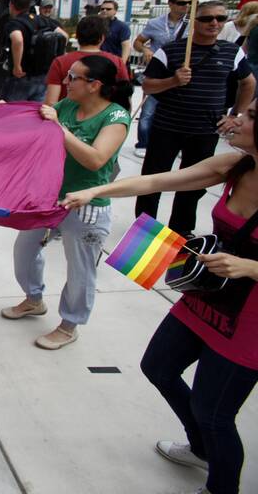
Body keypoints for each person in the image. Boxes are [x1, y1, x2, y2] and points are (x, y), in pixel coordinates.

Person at [62, 108, 258, 494]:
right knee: (158, 366)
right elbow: (155, 180)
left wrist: (250, 267)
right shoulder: (235, 165)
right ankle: (201, 448)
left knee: (214, 413)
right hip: (205, 299)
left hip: (248, 322)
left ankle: (221, 485)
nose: (233, 120)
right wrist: (95, 191)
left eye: (248, 116)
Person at [3, 55, 132, 349]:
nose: (66, 82)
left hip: (86, 206)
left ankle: (69, 324)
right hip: (50, 197)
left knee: (80, 269)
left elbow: (96, 159)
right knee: (24, 251)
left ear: (94, 85)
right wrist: (7, 114)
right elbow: (38, 119)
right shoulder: (68, 106)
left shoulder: (115, 118)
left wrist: (60, 129)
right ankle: (34, 299)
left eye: (73, 78)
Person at [137, 0, 256, 236]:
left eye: (220, 18)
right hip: (167, 127)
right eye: (207, 18)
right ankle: (144, 230)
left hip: (205, 130)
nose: (214, 23)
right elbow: (148, 86)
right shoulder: (170, 50)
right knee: (152, 180)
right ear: (194, 22)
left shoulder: (231, 51)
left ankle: (181, 231)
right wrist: (173, 80)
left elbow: (248, 82)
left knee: (193, 186)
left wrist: (235, 115)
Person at [133, 0, 193, 156]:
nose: (186, 6)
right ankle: (143, 143)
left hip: (182, 71)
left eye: (190, 3)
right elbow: (138, 41)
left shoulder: (193, 23)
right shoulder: (155, 23)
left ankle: (180, 143)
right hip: (158, 70)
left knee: (181, 109)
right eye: (182, 3)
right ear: (171, 4)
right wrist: (144, 50)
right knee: (148, 109)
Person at [45, 15, 130, 106]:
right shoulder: (117, 62)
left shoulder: (60, 62)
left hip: (65, 117)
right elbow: (124, 98)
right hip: (103, 117)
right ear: (102, 37)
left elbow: (51, 102)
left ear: (77, 36)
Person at [0, 0, 49, 103]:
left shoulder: (14, 23)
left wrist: (17, 66)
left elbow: (18, 39)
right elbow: (63, 35)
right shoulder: (42, 20)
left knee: (10, 113)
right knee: (33, 114)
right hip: (42, 77)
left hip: (21, 77)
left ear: (11, 5)